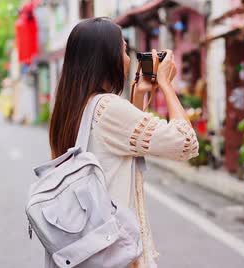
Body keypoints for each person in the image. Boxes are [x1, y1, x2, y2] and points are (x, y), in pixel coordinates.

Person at [48, 17, 199, 267]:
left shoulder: (70, 109)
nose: (129, 58)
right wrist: (166, 85)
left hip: (89, 248)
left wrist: (139, 94)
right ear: (107, 57)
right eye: (123, 48)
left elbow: (118, 147)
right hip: (115, 252)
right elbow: (186, 142)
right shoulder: (106, 107)